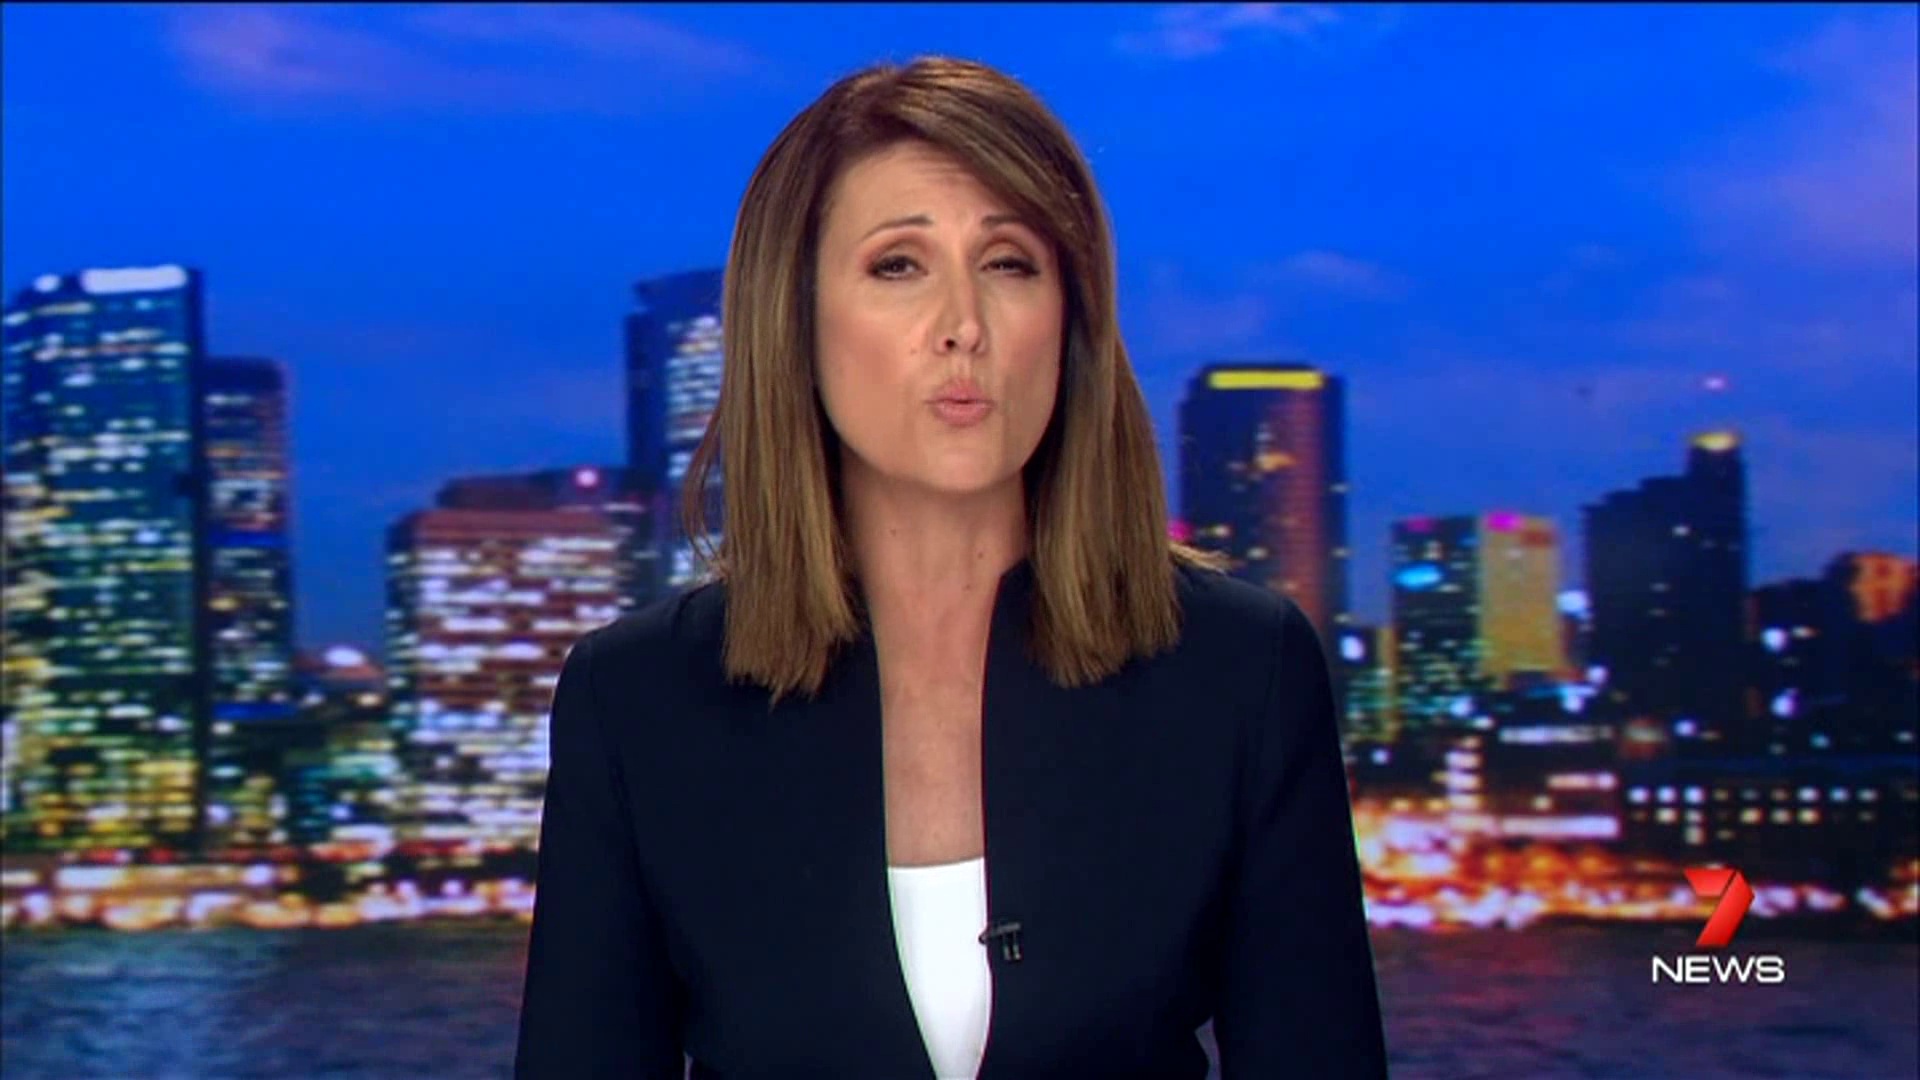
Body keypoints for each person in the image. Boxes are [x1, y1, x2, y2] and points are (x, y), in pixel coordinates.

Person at [514, 55, 1388, 1079]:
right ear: (794, 319)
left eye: (1010, 263)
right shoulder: (638, 699)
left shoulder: (1239, 668)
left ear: (1070, 319)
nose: (964, 326)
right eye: (899, 266)